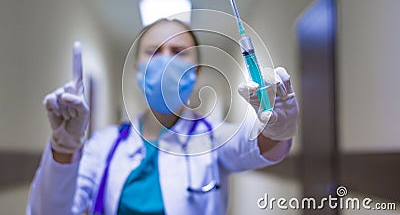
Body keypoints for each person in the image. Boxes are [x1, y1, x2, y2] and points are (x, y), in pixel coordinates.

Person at [26, 19, 299, 215]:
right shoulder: (104, 146)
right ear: (137, 69)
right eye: (154, 51)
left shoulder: (214, 137)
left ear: (197, 71)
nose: (166, 60)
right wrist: (64, 147)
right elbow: (48, 210)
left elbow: (255, 147)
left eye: (179, 52)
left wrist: (276, 129)